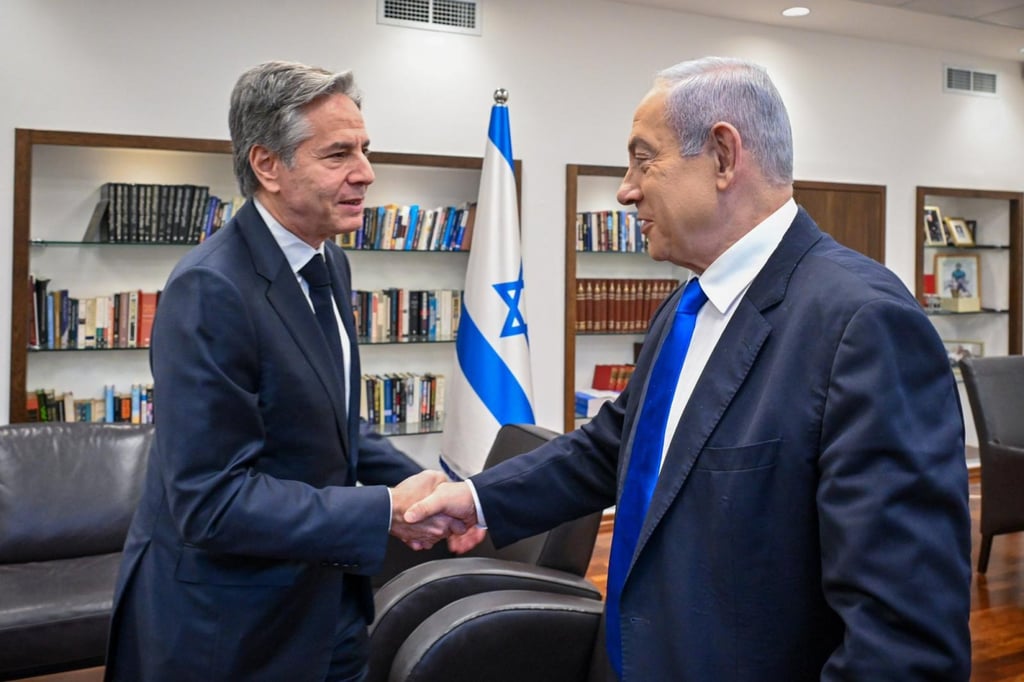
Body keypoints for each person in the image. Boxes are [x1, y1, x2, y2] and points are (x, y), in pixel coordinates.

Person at [405, 57, 972, 680]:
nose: (626, 187)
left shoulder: (863, 325)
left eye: (644, 159)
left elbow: (902, 639)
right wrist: (476, 498)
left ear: (724, 156)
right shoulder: (687, 304)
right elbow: (614, 447)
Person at [104, 61, 456, 681]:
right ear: (268, 166)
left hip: (328, 604)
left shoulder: (330, 263)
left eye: (365, 150)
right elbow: (211, 500)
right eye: (338, 154)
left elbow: (330, 424)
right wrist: (382, 513)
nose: (366, 174)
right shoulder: (209, 289)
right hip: (230, 627)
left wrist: (429, 491)